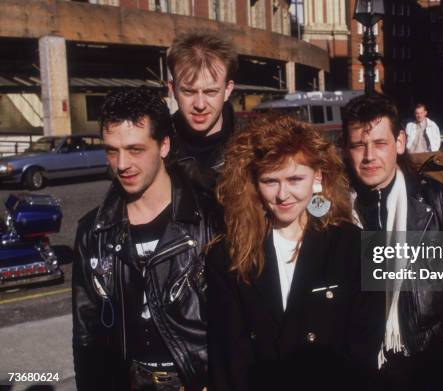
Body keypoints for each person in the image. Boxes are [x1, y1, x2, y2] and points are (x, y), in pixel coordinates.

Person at [207, 115, 379, 391]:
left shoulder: (353, 246)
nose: (283, 194)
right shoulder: (227, 255)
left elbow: (363, 349)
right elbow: (229, 358)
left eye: (295, 178)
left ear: (318, 177)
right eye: (270, 181)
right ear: (254, 182)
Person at [72, 87, 219, 391]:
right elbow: (86, 336)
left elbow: (236, 323)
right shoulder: (93, 231)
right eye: (112, 150)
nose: (122, 164)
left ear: (164, 145)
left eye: (135, 149)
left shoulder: (210, 220)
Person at [341, 94, 443, 390]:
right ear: (346, 149)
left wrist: (441, 337)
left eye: (380, 143)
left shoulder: (436, 201)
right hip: (356, 361)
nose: (369, 156)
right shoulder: (334, 209)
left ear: (399, 142)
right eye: (359, 145)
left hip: (423, 358)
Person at [167, 30, 238, 191]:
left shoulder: (256, 146)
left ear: (228, 89)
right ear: (172, 90)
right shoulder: (155, 146)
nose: (200, 104)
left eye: (210, 92)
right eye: (189, 91)